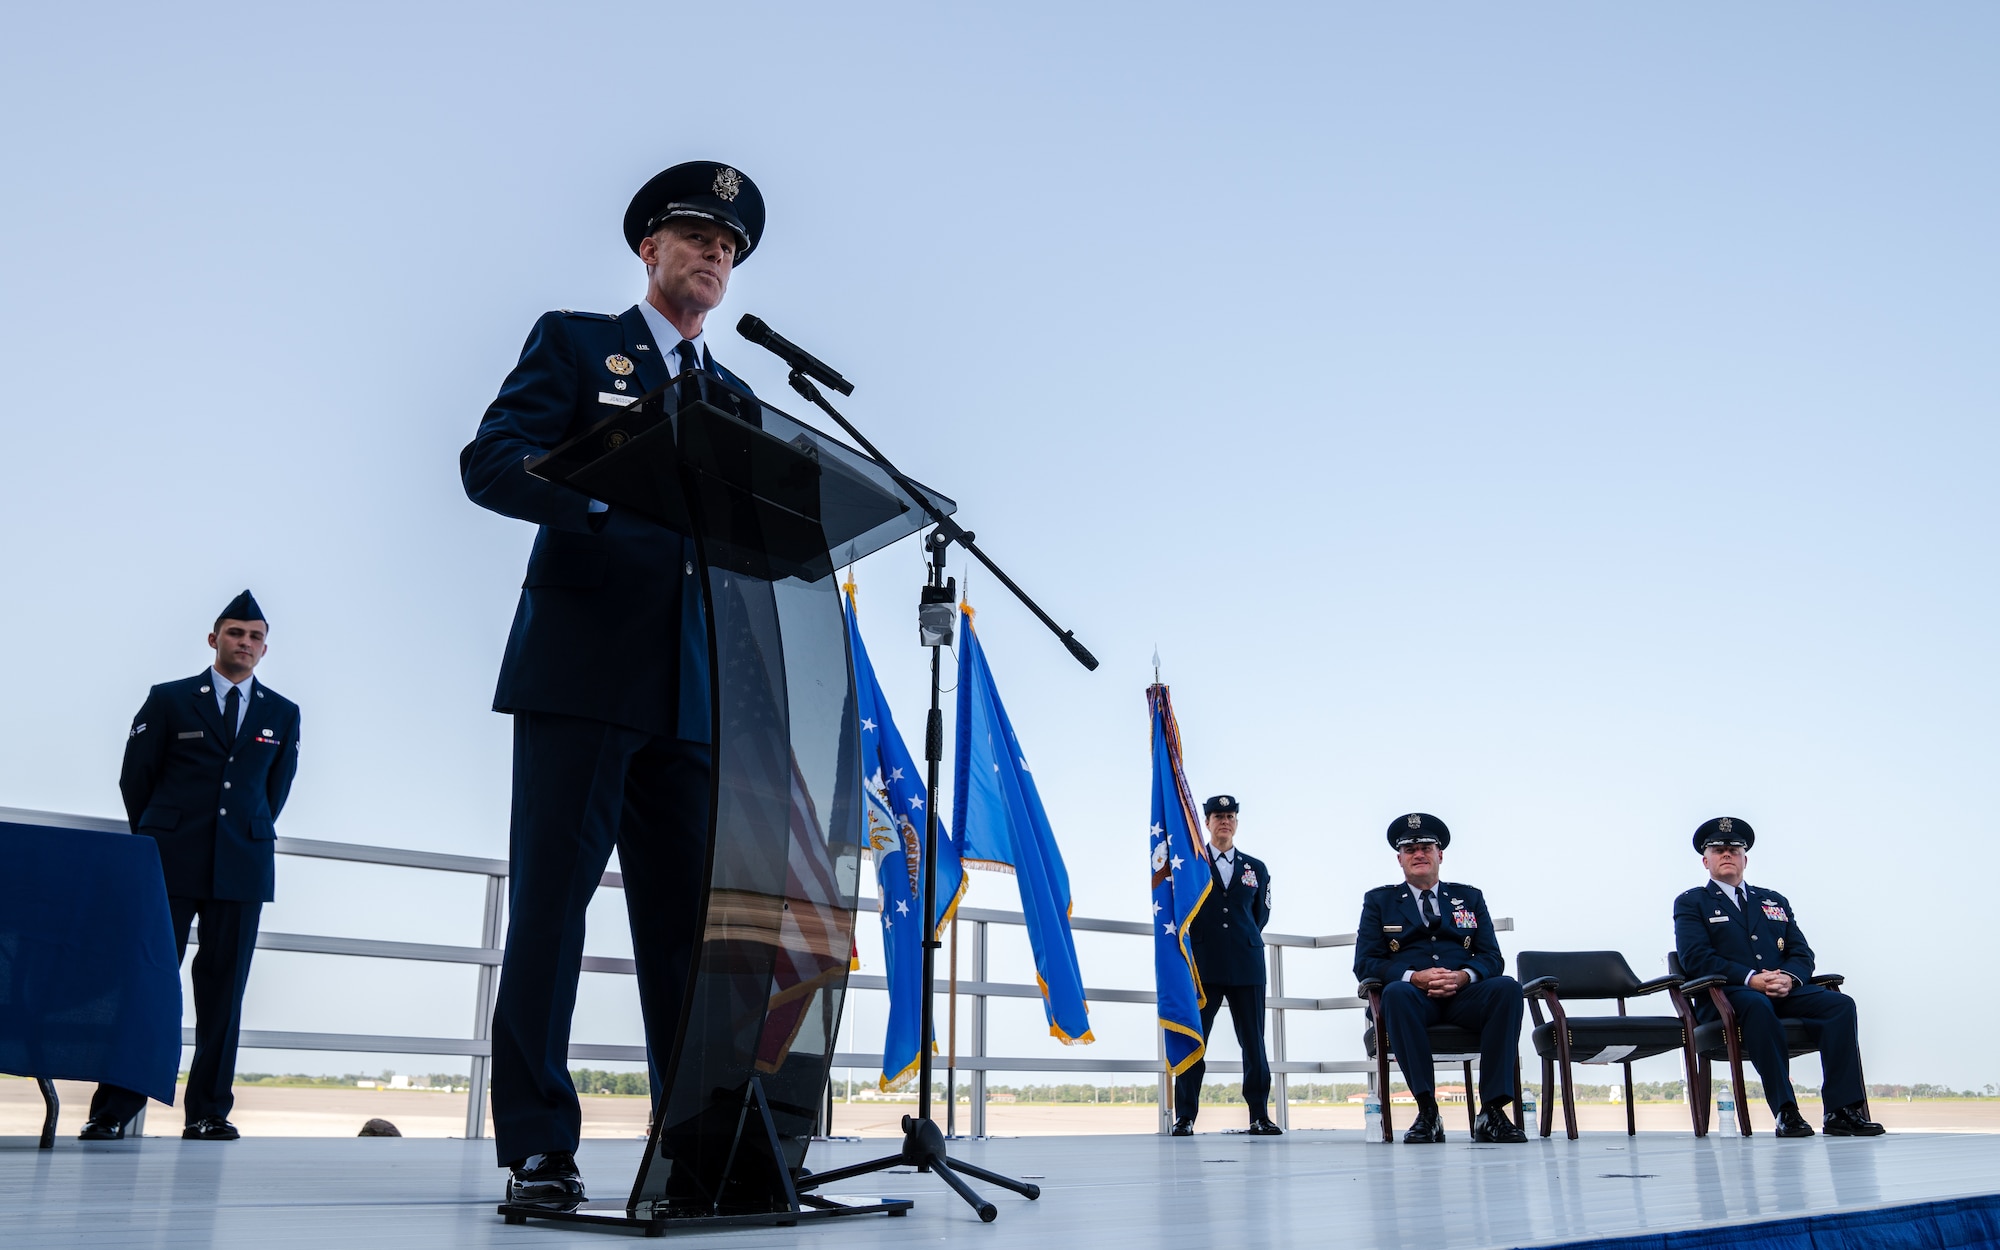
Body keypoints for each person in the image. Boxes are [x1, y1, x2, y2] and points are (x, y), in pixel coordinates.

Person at [459, 160, 765, 1207]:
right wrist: (603, 516)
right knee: (550, 911)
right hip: (582, 670)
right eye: (695, 237)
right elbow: (492, 460)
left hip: (692, 696)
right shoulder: (579, 343)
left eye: (727, 246)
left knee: (689, 932)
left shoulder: (733, 396)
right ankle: (539, 1146)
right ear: (649, 250)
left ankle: (694, 1140)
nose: (713, 254)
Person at [79, 590, 301, 1142]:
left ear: (265, 648)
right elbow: (137, 778)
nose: (244, 644)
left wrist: (237, 835)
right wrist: (159, 836)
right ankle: (113, 1110)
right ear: (214, 639)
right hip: (168, 862)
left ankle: (207, 1112)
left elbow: (274, 793)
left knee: (224, 996)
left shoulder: (283, 712)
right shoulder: (170, 699)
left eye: (253, 637)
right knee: (147, 984)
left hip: (243, 868)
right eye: (234, 633)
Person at [1672, 817, 1883, 1137]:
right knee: (1757, 1005)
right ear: (1706, 861)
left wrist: (1789, 977)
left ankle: (1842, 1111)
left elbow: (1801, 954)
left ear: (1746, 858)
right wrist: (1750, 978)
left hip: (1782, 991)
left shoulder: (1773, 901)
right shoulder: (1692, 902)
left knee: (1839, 1005)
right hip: (1727, 995)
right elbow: (1695, 958)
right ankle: (1786, 1111)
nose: (1726, 854)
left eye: (1734, 849)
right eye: (1718, 850)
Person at [1353, 813, 1526, 1144]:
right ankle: (1428, 1111)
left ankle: (1492, 1111)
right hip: (1415, 999)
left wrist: (1464, 976)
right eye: (1410, 849)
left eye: (1426, 848)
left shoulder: (1469, 898)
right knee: (1396, 994)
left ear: (1440, 855)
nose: (1419, 854)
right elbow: (1366, 963)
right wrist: (1413, 977)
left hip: (1464, 998)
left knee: (1507, 988)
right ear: (1400, 858)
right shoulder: (1380, 901)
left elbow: (1492, 957)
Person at [1172, 795, 1280, 1136]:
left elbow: (1259, 916)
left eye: (1230, 816)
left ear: (1236, 822)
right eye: (1218, 816)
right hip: (1204, 967)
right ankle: (1185, 1116)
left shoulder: (1255, 868)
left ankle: (1259, 1115)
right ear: (1207, 822)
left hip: (1247, 964)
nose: (1225, 821)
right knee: (1195, 1040)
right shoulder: (1191, 863)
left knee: (1254, 1042)